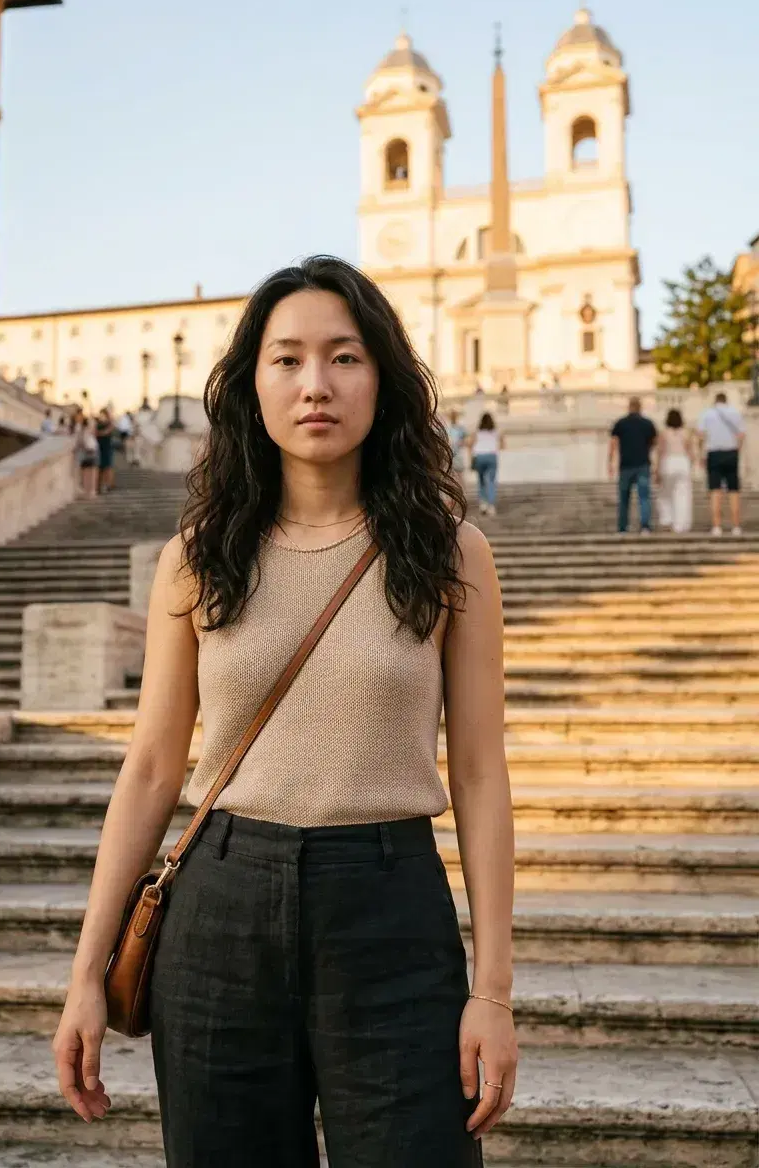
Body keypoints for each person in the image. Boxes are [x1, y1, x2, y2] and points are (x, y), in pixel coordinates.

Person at [52, 255, 517, 1166]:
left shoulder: (453, 553)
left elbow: (480, 772)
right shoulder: (196, 558)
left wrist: (492, 990)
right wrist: (84, 975)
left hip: (391, 907)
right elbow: (150, 767)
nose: (316, 384)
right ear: (250, 385)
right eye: (287, 359)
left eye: (344, 357)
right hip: (220, 907)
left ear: (382, 377)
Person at [697, 391, 745, 536]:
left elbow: (700, 435)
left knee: (715, 490)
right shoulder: (735, 413)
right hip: (731, 452)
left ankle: (717, 526)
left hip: (714, 453)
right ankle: (736, 526)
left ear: (715, 401)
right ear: (726, 400)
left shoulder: (707, 413)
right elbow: (742, 435)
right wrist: (737, 450)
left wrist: (701, 454)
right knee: (734, 490)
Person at [609, 397, 657, 535]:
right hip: (642, 464)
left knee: (624, 498)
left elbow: (613, 444)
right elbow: (654, 442)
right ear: (640, 407)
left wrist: (610, 462)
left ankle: (623, 528)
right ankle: (645, 527)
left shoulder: (621, 423)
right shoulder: (647, 423)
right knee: (644, 498)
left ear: (629, 407)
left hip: (625, 465)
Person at [656, 409, 694, 534]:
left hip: (669, 461)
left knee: (666, 494)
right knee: (683, 495)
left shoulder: (664, 433)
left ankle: (667, 519)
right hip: (683, 462)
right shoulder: (686, 433)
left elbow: (660, 451)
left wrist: (657, 468)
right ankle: (681, 524)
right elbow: (690, 451)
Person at [471, 412, 502, 517]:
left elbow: (471, 444)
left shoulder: (477, 432)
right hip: (491, 456)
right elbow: (502, 445)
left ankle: (483, 504)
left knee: (481, 481)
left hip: (479, 456)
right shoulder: (496, 432)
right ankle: (491, 505)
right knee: (491, 481)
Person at [74, 415, 99, 498]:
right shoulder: (86, 432)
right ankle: (91, 491)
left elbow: (78, 443)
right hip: (90, 452)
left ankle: (88, 491)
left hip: (85, 453)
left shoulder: (81, 432)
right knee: (91, 473)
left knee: (86, 474)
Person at [96, 407, 116, 494]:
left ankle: (108, 484)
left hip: (107, 446)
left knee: (107, 466)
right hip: (99, 447)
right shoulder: (98, 423)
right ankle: (100, 485)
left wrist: (99, 433)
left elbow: (107, 431)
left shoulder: (109, 423)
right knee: (100, 467)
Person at [445, 407, 467, 479]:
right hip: (449, 453)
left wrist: (460, 443)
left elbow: (465, 439)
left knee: (459, 475)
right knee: (451, 476)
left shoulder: (460, 427)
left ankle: (461, 489)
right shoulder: (447, 427)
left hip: (457, 453)